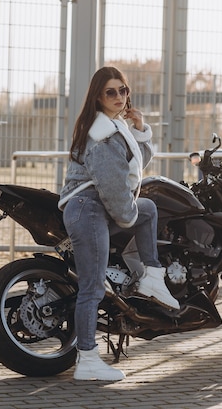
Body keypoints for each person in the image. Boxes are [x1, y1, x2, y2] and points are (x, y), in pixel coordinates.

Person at [58, 66, 179, 381]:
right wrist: (127, 216)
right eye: (111, 91)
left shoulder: (113, 126)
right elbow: (112, 185)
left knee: (149, 208)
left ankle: (152, 276)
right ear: (98, 96)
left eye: (123, 90)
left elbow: (132, 166)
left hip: (95, 208)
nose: (119, 97)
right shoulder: (100, 131)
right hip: (89, 209)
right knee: (92, 287)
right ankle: (87, 360)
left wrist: (141, 131)